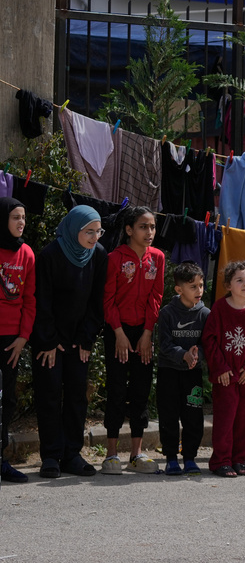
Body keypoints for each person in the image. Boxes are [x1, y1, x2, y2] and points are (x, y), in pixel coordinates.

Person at [31, 205, 107, 478]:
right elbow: (42, 301)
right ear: (75, 228)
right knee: (49, 395)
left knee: (77, 396)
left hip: (79, 341)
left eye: (98, 231)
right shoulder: (50, 255)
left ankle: (72, 454)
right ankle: (51, 456)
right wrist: (49, 341)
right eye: (89, 232)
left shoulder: (98, 255)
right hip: (49, 342)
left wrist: (86, 338)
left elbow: (97, 302)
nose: (94, 237)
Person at [100, 207, 165, 474]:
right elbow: (108, 299)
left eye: (152, 227)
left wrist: (148, 333)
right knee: (116, 389)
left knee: (140, 390)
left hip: (144, 333)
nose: (149, 232)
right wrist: (118, 333)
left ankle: (136, 454)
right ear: (128, 230)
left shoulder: (158, 258)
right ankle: (111, 453)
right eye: (143, 227)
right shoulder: (114, 258)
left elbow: (156, 297)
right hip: (117, 332)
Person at [202, 260, 245, 477]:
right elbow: (210, 340)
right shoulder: (220, 308)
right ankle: (221, 460)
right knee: (225, 419)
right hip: (226, 376)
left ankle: (239, 459)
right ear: (229, 285)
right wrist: (220, 368)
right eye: (239, 280)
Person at [156, 261, 210, 476]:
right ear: (179, 290)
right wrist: (183, 355)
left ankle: (190, 458)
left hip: (193, 375)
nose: (199, 290)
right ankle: (171, 459)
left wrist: (198, 355)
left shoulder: (205, 313)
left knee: (193, 417)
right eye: (193, 286)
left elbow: (209, 344)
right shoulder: (167, 313)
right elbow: (165, 345)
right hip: (168, 372)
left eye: (201, 285)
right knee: (168, 416)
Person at [0, 198, 34, 483]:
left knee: (7, 400)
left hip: (12, 340)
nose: (21, 222)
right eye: (15, 217)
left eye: (23, 217)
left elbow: (30, 300)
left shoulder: (27, 254)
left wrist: (23, 337)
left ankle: (2, 460)